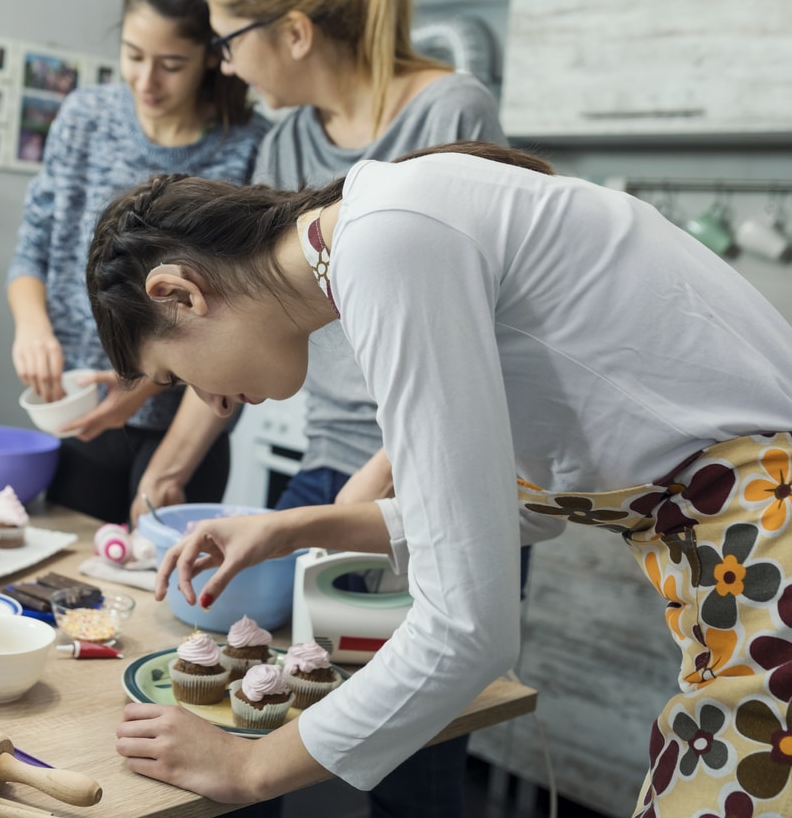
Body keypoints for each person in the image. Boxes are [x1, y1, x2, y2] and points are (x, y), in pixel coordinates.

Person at [88, 141, 792, 817]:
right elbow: (521, 509)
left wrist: (250, 767)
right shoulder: (383, 227)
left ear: (179, 294)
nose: (208, 400)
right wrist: (293, 528)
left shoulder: (388, 241)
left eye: (176, 375)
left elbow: (468, 630)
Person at [126, 0, 512, 813]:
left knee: (414, 745)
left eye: (226, 41)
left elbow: (454, 369)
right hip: (334, 465)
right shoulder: (286, 139)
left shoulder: (438, 130)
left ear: (293, 33)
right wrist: (175, 463)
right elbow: (233, 318)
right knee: (275, 704)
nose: (223, 64)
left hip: (430, 462)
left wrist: (358, 504)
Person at [5, 0, 269, 524]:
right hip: (82, 415)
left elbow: (239, 320)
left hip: (185, 426)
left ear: (212, 55)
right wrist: (31, 327)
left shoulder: (248, 148)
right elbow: (32, 249)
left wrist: (147, 383)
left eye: (171, 64)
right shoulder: (83, 118)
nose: (146, 82)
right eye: (132, 55)